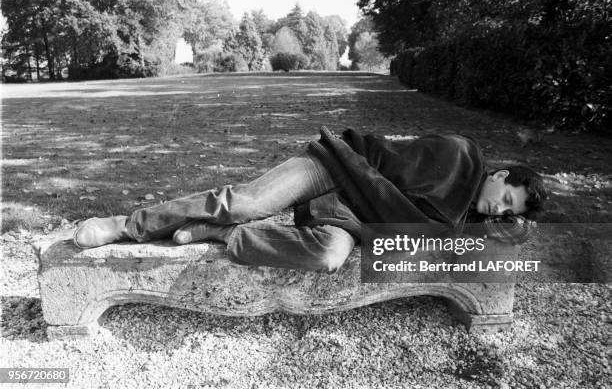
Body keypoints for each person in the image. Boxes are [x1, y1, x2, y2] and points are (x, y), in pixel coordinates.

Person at [73, 126, 547, 273]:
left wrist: (505, 230)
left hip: (349, 215)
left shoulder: (463, 220)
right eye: (506, 196)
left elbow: (462, 243)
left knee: (328, 256)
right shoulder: (461, 155)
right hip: (336, 168)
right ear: (499, 174)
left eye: (508, 212)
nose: (500, 210)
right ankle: (126, 224)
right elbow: (392, 168)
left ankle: (221, 235)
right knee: (246, 201)